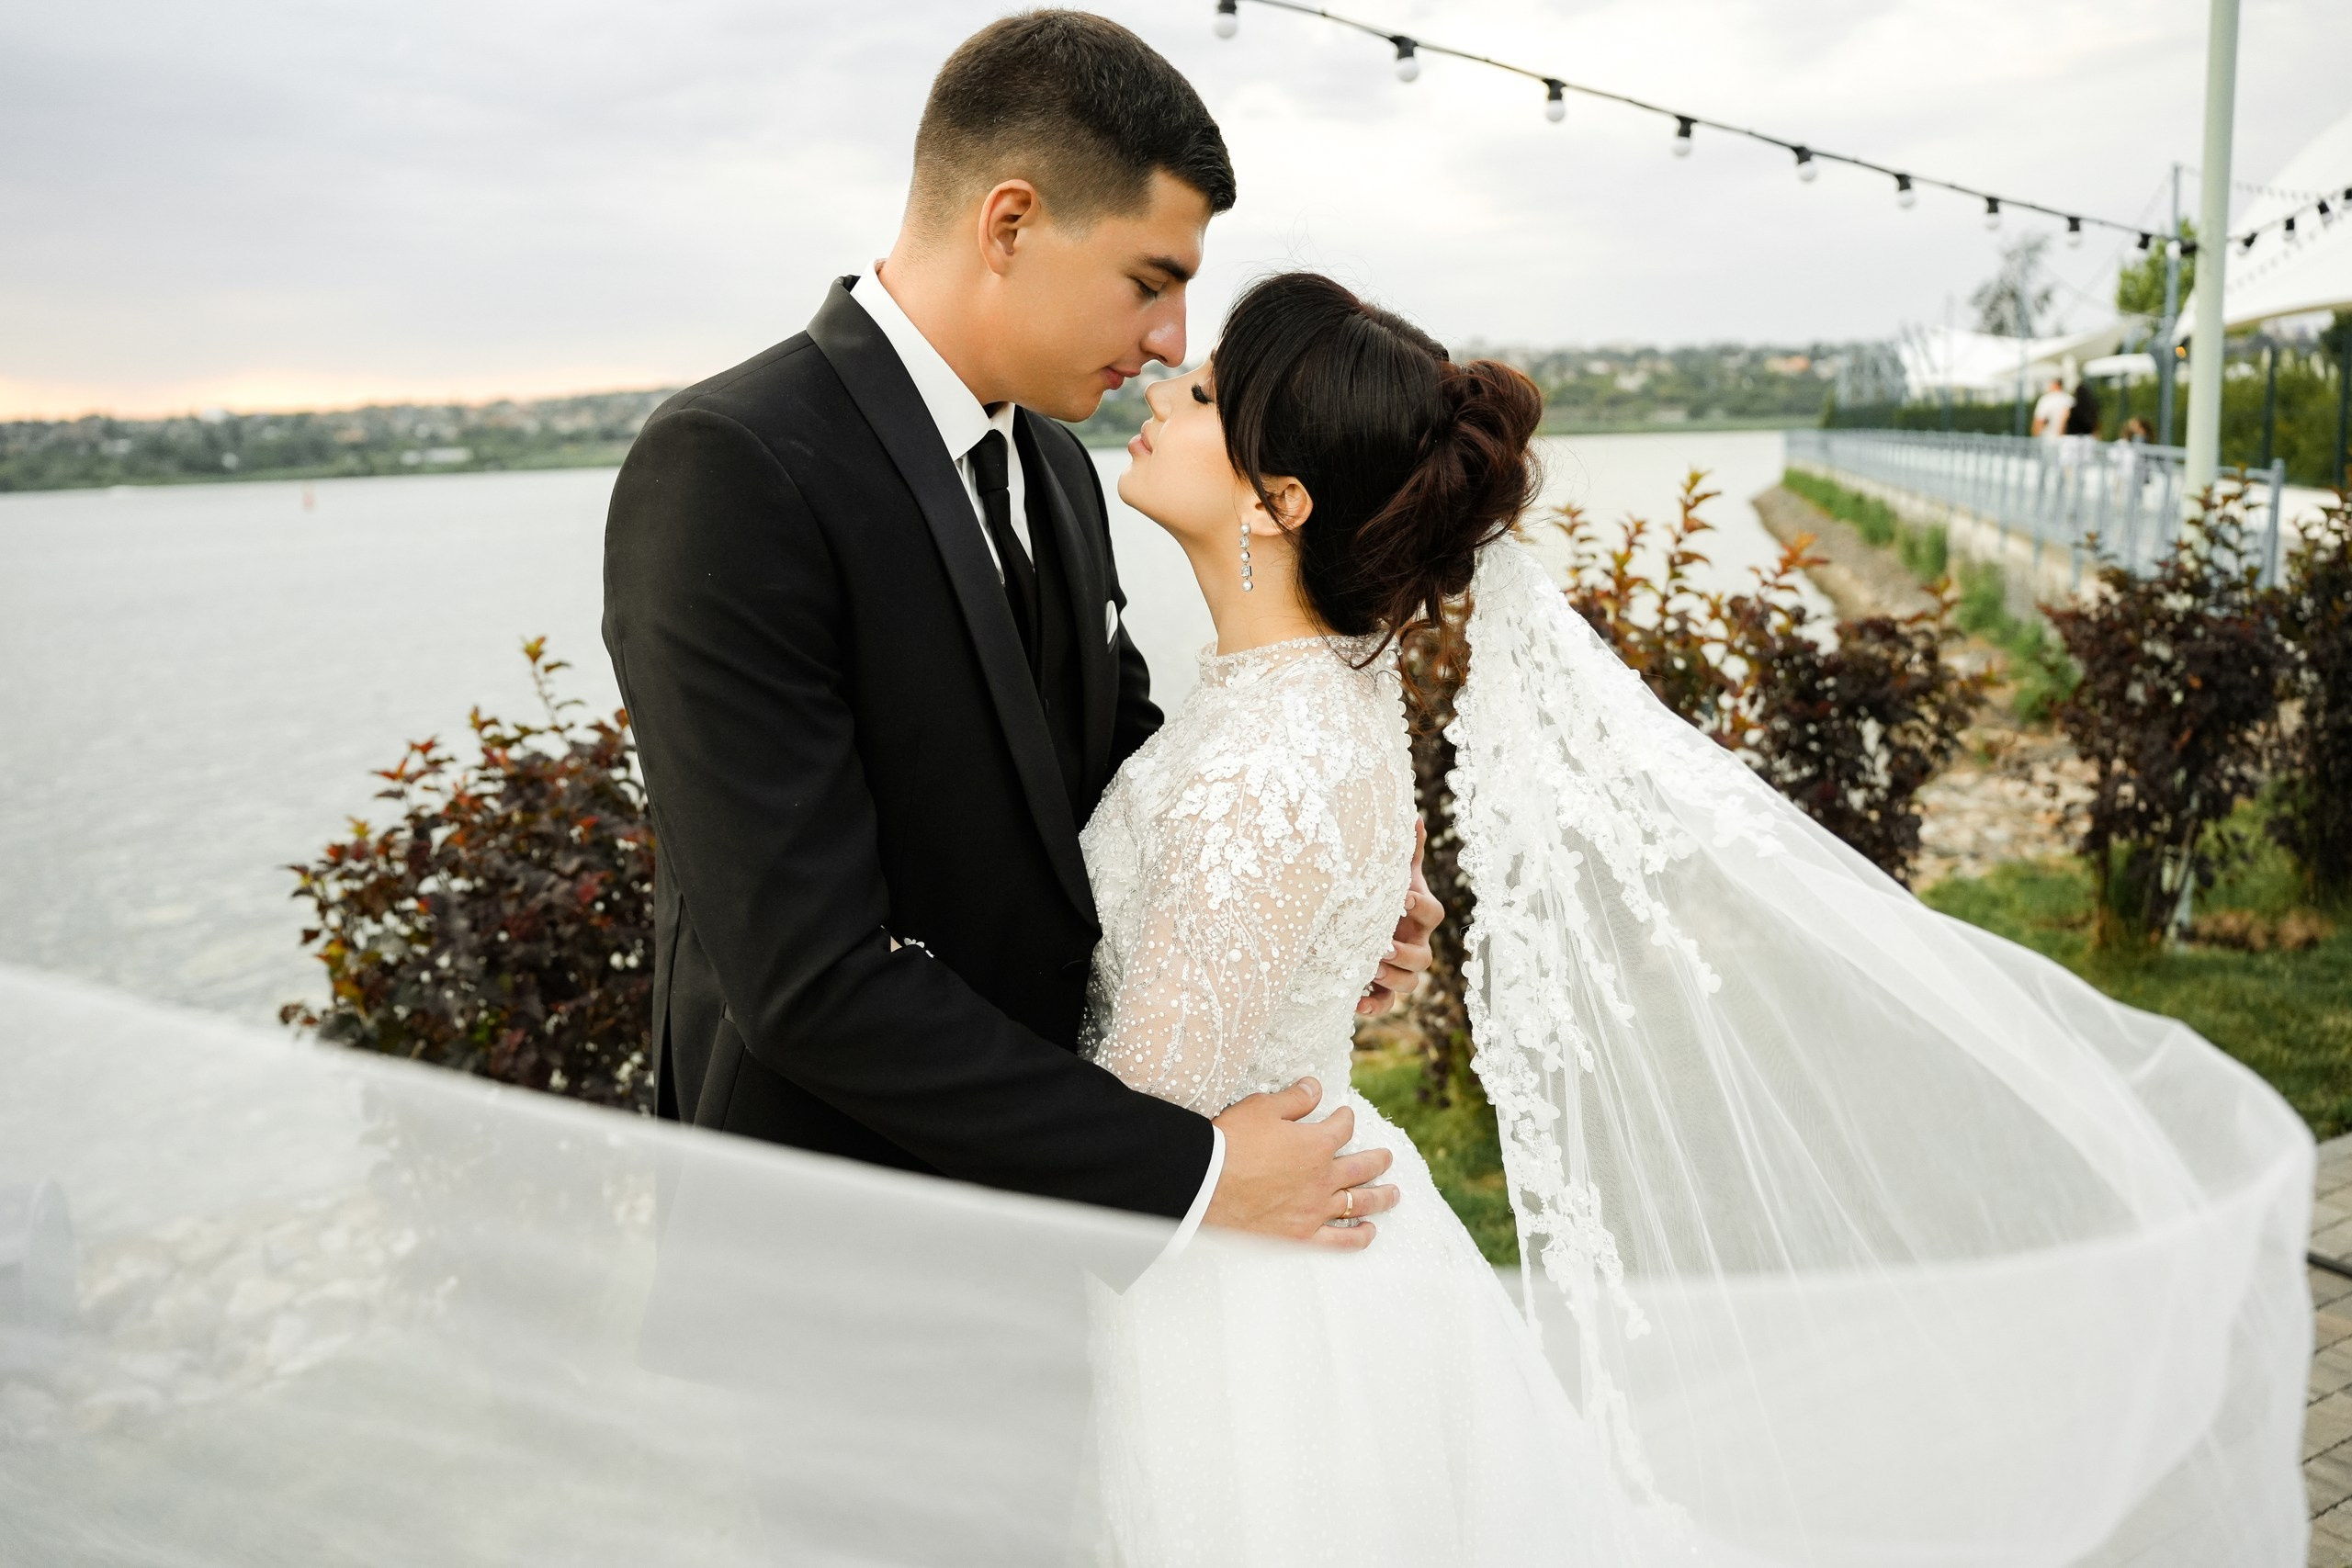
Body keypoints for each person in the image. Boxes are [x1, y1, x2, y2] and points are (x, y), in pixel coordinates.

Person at [1079, 270, 2312, 1564]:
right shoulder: (1327, 695)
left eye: (1208, 390)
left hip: (1241, 1304)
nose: (1163, 386)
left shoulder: (1263, 761)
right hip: (1315, 1238)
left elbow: (1142, 1112)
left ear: (1282, 501)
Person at [602, 14, 1439, 1252]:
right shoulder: (734, 465)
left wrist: (1307, 893)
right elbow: (806, 977)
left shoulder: (1051, 462)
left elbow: (1107, 762)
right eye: (1149, 282)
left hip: (1045, 1239)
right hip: (831, 1245)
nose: (1170, 341)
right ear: (1009, 224)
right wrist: (1190, 1173)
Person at [2030, 374, 2074, 440]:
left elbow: (2039, 420)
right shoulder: (2070, 400)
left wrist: (2035, 436)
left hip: (2049, 438)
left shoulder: (2046, 400)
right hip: (2068, 439)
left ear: (2055, 385)